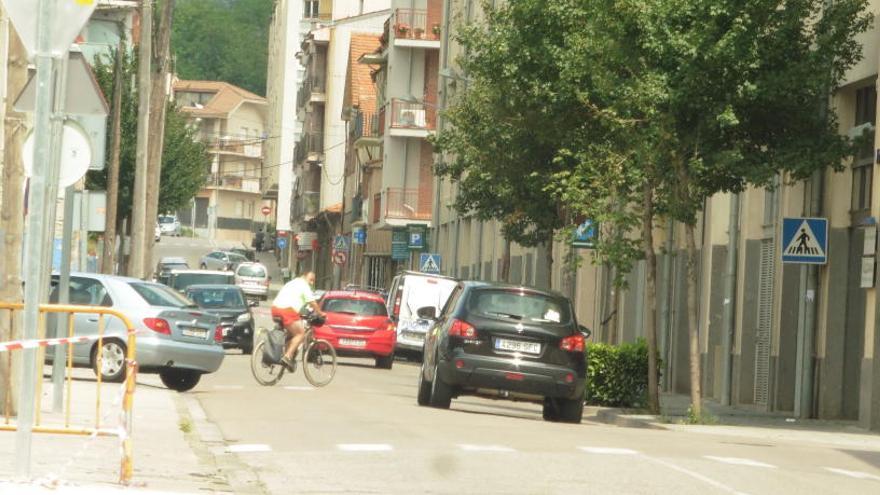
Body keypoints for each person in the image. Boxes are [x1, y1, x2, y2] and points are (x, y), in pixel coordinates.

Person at [271, 271, 326, 370]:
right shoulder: (303, 285)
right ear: (304, 277)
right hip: (287, 310)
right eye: (311, 280)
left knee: (291, 333)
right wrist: (320, 313)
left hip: (275, 308)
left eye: (314, 281)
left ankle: (286, 355)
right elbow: (312, 302)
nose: (312, 283)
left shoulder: (292, 282)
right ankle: (287, 356)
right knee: (301, 334)